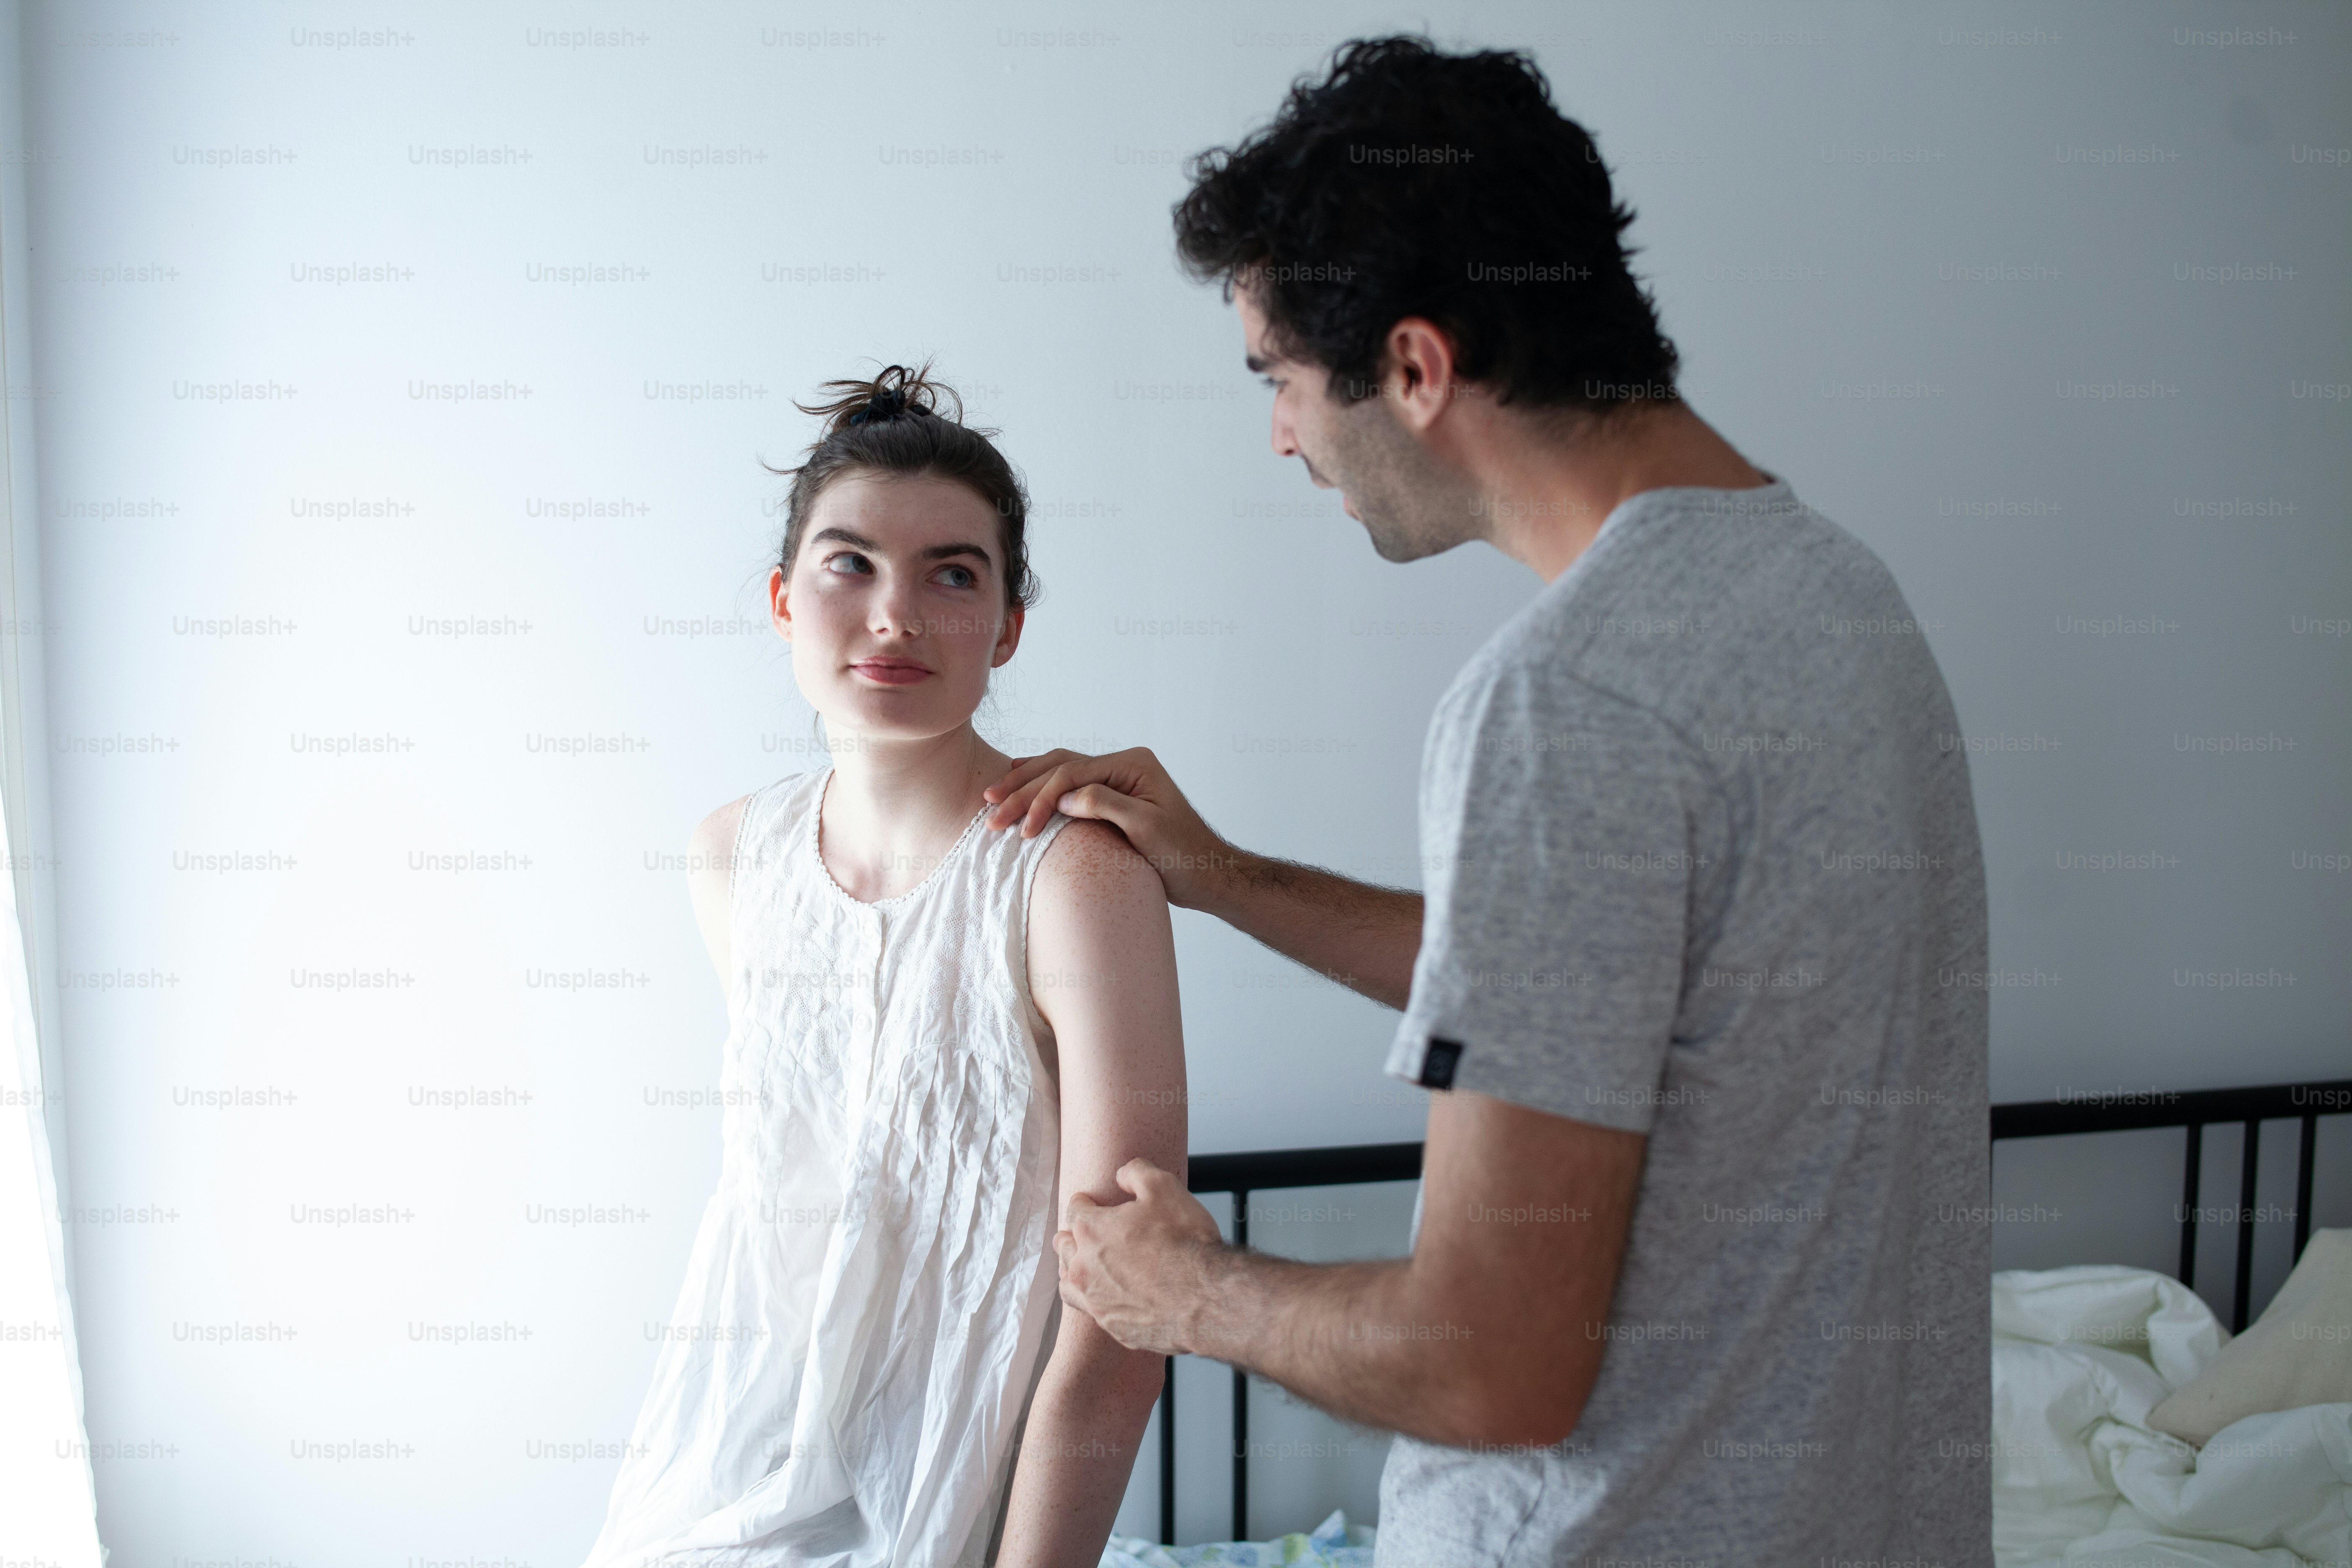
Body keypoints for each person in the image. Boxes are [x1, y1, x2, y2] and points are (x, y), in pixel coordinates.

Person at [986, 37, 1991, 1566]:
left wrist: (1187, 1291)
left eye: (1280, 380)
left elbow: (1489, 1365)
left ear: (1415, 368)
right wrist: (1225, 876)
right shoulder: (1841, 600)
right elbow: (1615, 992)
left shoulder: (1566, 700)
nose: (1281, 436)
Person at [580, 365, 1184, 1568]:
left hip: (944, 1511)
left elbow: (1123, 1312)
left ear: (1008, 624)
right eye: (849, 564)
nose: (896, 615)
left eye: (952, 574)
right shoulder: (731, 857)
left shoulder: (1075, 880)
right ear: (782, 600)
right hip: (709, 1484)